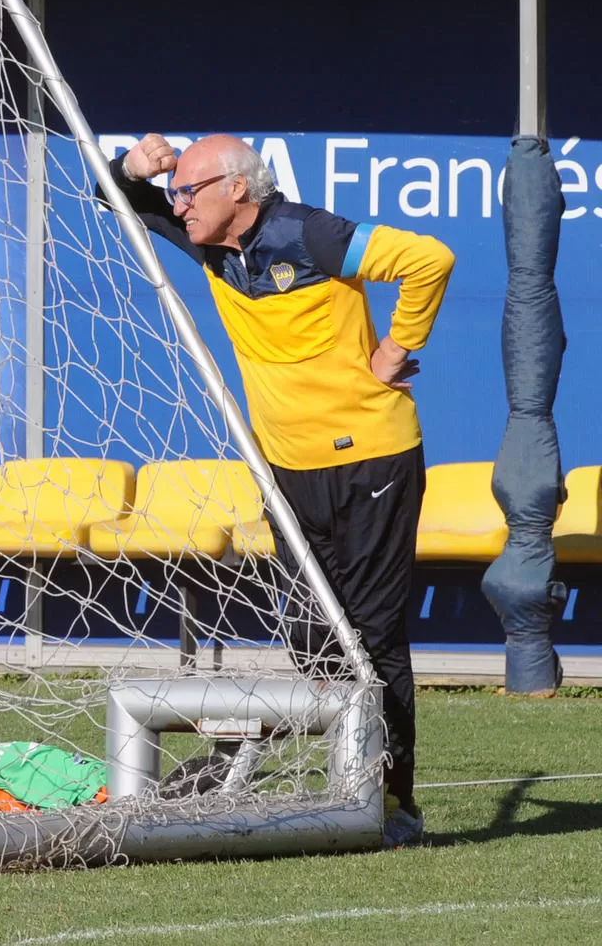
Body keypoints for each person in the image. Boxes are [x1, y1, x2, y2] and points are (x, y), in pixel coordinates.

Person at [106, 132, 455, 847]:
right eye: (175, 194)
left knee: (375, 635)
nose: (177, 204)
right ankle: (347, 780)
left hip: (374, 461)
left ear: (239, 189)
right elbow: (120, 198)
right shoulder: (209, 240)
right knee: (311, 635)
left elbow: (429, 260)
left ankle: (394, 805)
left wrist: (395, 348)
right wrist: (129, 169)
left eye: (188, 190)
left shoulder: (310, 233)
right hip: (285, 468)